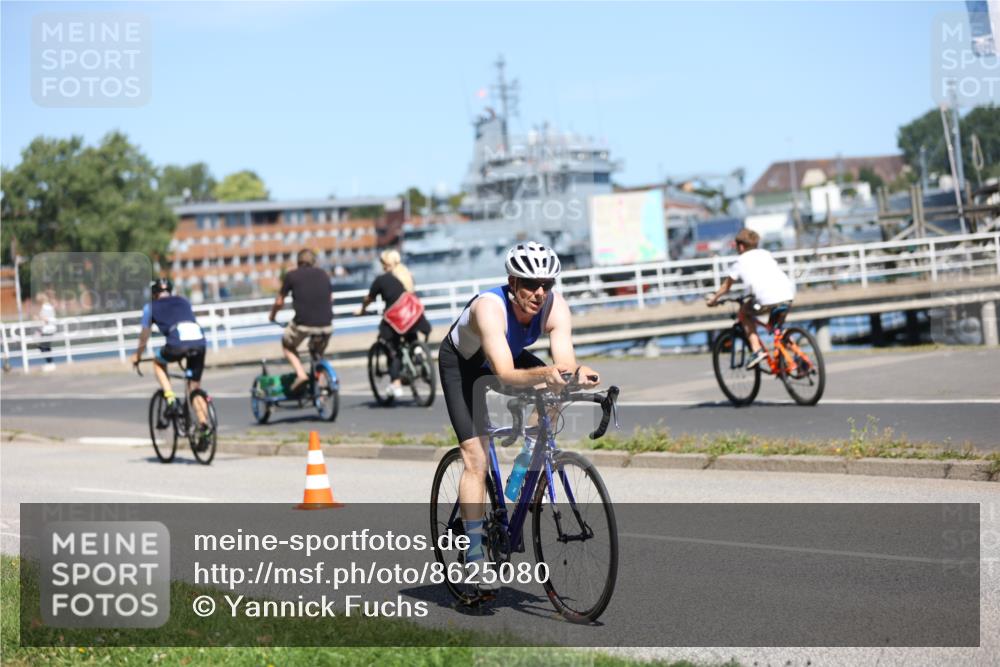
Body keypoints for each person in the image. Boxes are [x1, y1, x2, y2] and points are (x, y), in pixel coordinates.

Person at [438, 241, 599, 595]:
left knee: (559, 384)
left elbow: (565, 363)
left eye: (546, 284)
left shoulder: (555, 307)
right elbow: (507, 374)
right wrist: (548, 374)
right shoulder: (489, 308)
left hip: (504, 358)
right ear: (512, 282)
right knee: (476, 461)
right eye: (529, 283)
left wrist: (578, 373)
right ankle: (475, 554)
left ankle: (526, 456)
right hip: (463, 367)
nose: (539, 292)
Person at [131, 278, 211, 446]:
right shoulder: (183, 301)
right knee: (194, 387)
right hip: (200, 342)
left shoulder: (150, 307)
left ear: (154, 294)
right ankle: (204, 427)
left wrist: (137, 355)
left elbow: (144, 337)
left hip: (176, 345)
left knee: (158, 362)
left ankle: (170, 399)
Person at [705, 228, 796, 369]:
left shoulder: (740, 261)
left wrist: (713, 299)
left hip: (766, 298)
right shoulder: (766, 254)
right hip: (787, 294)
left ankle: (756, 350)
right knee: (776, 329)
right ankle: (798, 358)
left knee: (744, 313)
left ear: (741, 246)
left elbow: (726, 287)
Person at [356, 249, 432, 398]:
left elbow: (369, 298)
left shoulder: (382, 279)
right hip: (414, 317)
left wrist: (362, 309)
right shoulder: (407, 274)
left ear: (384, 264)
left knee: (392, 347)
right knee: (410, 334)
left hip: (396, 319)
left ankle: (396, 383)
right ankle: (417, 352)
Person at [268, 249, 334, 393]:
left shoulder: (292, 275)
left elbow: (279, 301)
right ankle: (321, 388)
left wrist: (272, 316)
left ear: (298, 262)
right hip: (327, 324)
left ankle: (301, 374)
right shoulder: (323, 274)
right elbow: (330, 299)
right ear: (314, 262)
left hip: (303, 324)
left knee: (287, 345)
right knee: (318, 353)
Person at [37, 293, 57, 371]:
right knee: (45, 346)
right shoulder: (47, 307)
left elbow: (47, 318)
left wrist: (40, 318)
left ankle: (50, 363)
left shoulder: (46, 307)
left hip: (48, 329)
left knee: (43, 346)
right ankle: (50, 363)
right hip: (47, 329)